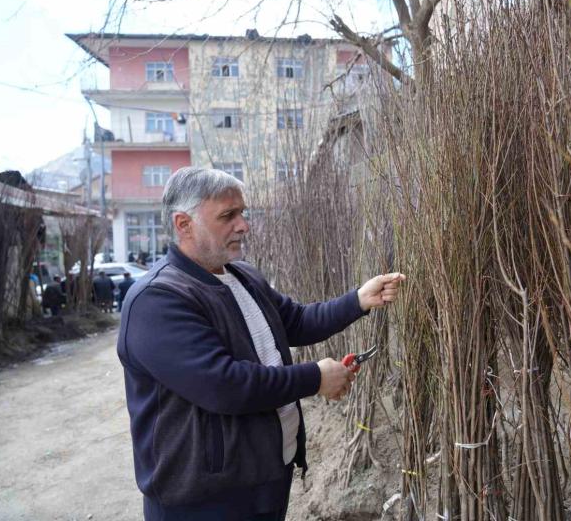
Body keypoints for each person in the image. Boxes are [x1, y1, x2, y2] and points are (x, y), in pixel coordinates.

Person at [117, 167, 405, 521]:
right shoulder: (156, 300)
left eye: (242, 213)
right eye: (228, 215)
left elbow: (295, 322)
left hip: (265, 478)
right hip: (205, 502)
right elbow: (224, 385)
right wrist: (315, 378)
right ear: (184, 224)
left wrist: (358, 300)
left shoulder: (242, 275)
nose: (243, 225)